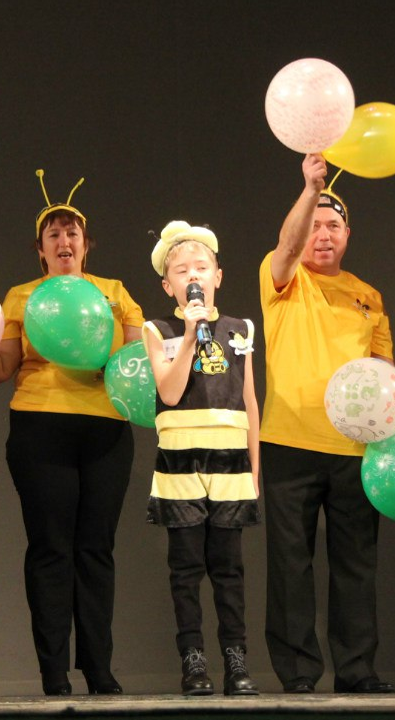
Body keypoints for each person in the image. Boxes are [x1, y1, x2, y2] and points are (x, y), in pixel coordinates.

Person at [0, 171, 143, 696]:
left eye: (72, 233)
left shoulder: (115, 294)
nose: (64, 241)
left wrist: (110, 359)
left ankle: (98, 668)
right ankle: (53, 671)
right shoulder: (21, 296)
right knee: (50, 548)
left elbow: (136, 364)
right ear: (41, 250)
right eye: (54, 235)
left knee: (96, 549)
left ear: (86, 245)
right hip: (40, 427)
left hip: (106, 429)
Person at [260, 154, 394, 694]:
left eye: (333, 226)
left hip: (356, 449)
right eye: (315, 225)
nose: (322, 234)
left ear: (347, 235)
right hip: (289, 440)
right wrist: (311, 190)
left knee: (356, 565)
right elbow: (287, 245)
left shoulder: (369, 295)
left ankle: (358, 672)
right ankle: (297, 675)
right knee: (290, 565)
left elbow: (385, 374)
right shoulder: (283, 276)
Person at [142, 221, 260, 697]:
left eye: (201, 267)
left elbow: (249, 401)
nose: (193, 275)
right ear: (168, 285)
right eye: (181, 270)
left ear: (218, 276)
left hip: (231, 463)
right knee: (186, 568)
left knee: (229, 569)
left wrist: (255, 468)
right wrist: (191, 335)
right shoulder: (159, 330)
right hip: (180, 463)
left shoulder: (240, 329)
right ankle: (193, 662)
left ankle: (236, 661)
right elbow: (169, 393)